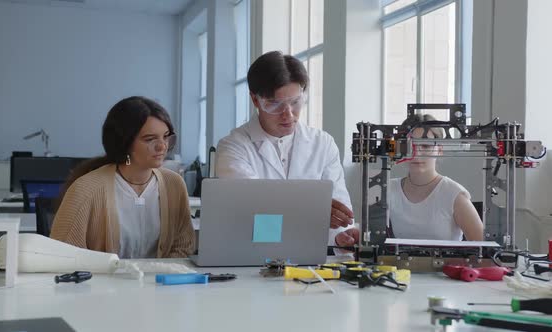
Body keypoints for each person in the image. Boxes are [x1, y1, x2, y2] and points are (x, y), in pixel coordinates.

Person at [216, 51, 358, 248]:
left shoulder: (322, 144)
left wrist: (339, 235)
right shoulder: (233, 146)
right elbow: (251, 208)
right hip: (252, 253)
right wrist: (314, 210)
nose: (288, 115)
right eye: (274, 104)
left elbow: (337, 207)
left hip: (311, 255)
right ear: (255, 100)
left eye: (295, 102)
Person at [50, 96, 194, 258]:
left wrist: (156, 277)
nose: (162, 146)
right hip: (101, 282)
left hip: (159, 281)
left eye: (166, 136)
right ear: (124, 142)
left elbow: (183, 247)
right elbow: (63, 255)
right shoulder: (86, 189)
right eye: (150, 139)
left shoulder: (174, 184)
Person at [388, 114, 484, 241]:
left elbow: (483, 249)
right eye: (410, 146)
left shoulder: (454, 195)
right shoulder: (388, 189)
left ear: (439, 149)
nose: (417, 153)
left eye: (426, 145)